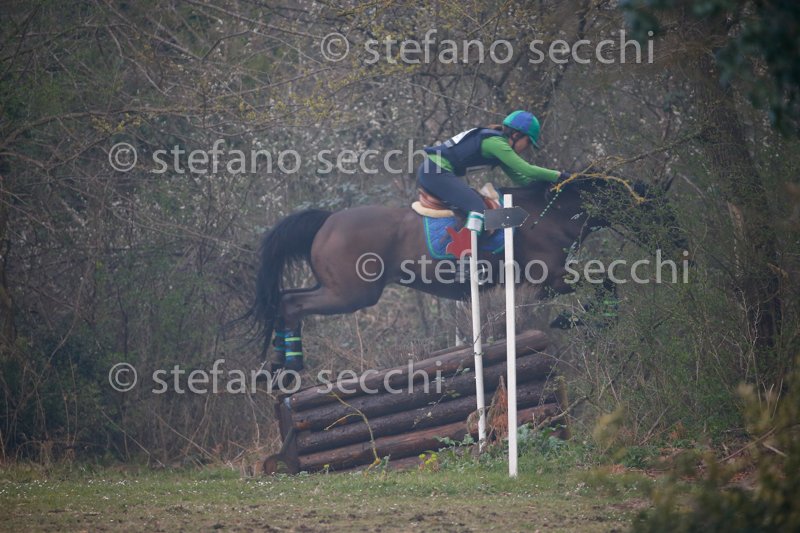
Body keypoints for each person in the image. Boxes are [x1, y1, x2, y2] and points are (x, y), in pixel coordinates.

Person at [419, 110, 569, 234]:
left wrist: (549, 185)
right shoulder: (496, 144)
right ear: (516, 135)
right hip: (434, 171)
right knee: (478, 208)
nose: (527, 147)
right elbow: (527, 170)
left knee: (477, 208)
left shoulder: (499, 146)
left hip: (434, 171)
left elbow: (522, 180)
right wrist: (560, 176)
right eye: (528, 142)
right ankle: (466, 257)